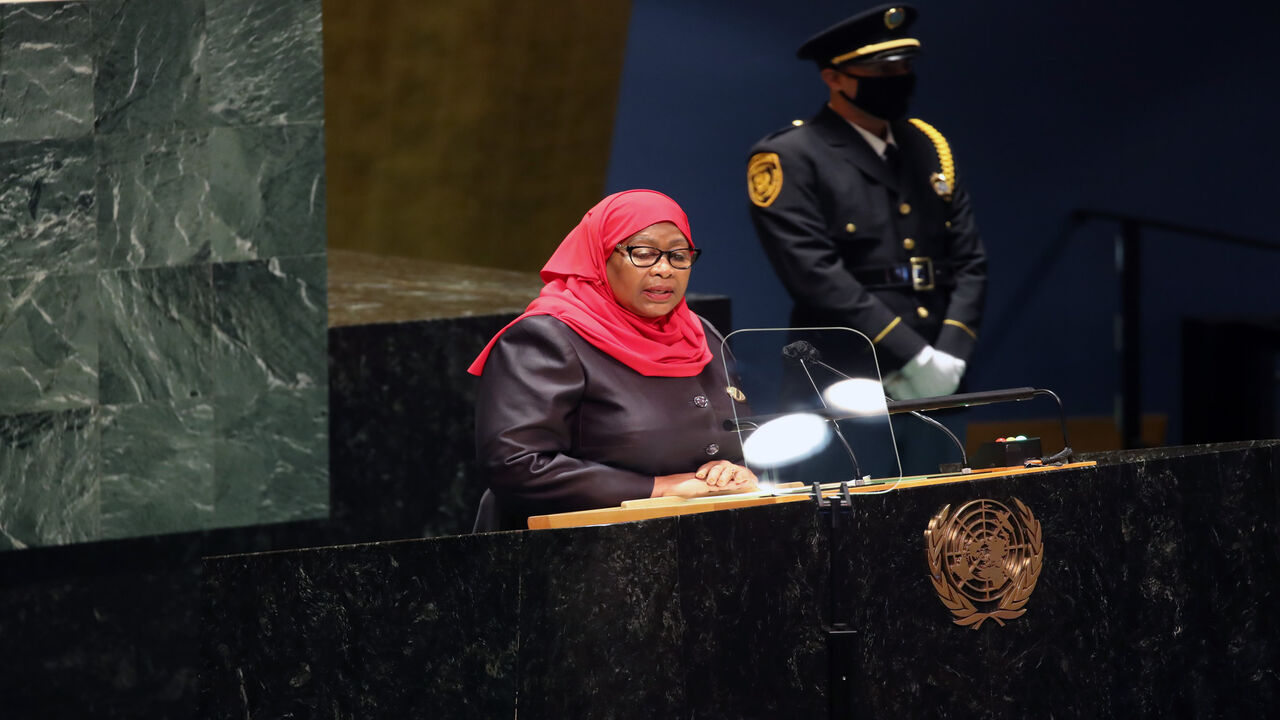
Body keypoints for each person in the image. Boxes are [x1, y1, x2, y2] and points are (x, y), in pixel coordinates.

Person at [468, 189, 758, 532]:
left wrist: (738, 469)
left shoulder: (698, 332)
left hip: (696, 543)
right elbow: (514, 464)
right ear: (601, 256)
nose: (665, 269)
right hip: (569, 552)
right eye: (645, 254)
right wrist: (658, 489)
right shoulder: (547, 338)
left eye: (679, 256)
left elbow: (739, 433)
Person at [746, 4, 987, 405]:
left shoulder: (928, 146)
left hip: (944, 369)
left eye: (904, 68)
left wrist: (949, 356)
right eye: (882, 71)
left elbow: (970, 262)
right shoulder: (791, 156)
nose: (899, 79)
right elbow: (814, 274)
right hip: (845, 370)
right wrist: (914, 358)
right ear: (834, 77)